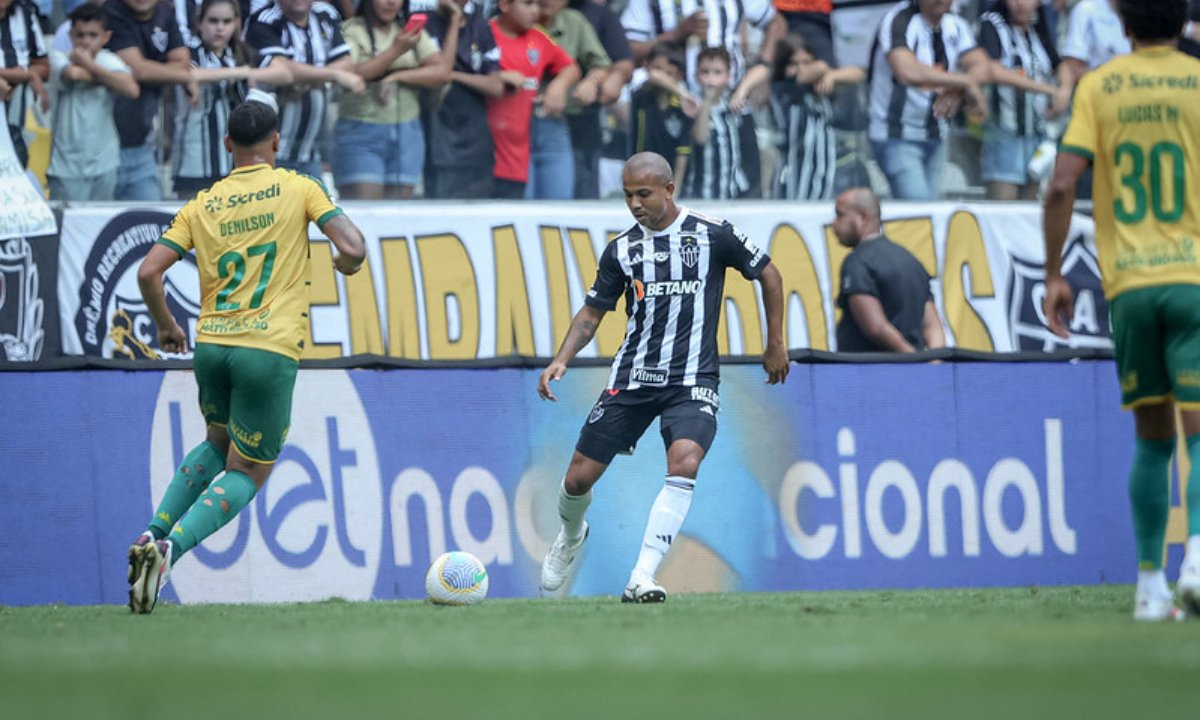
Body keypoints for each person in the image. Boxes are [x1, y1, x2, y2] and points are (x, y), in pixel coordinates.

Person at [127, 94, 366, 614]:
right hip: (268, 347)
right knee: (249, 470)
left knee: (216, 440)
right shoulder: (300, 187)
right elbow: (353, 246)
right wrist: (346, 266)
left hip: (212, 344)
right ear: (276, 143)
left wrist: (168, 326)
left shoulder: (202, 202)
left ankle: (151, 534)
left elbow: (149, 272)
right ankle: (168, 553)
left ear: (227, 143)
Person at [537, 151, 789, 603]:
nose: (634, 204)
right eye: (628, 195)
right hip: (632, 379)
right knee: (577, 481)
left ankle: (642, 576)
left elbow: (769, 274)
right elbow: (593, 312)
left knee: (685, 460)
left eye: (643, 194)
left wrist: (775, 343)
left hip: (692, 378)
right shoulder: (623, 250)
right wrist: (561, 359)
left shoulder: (713, 234)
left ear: (668, 190)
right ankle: (572, 536)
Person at [1042, 0, 1200, 621]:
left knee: (1153, 436)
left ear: (1123, 24)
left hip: (1130, 284)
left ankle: (1148, 587)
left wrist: (1055, 273)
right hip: (1193, 277)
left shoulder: (1099, 86)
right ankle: (1197, 561)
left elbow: (1060, 183)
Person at [866, 0, 1056, 200]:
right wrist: (966, 82)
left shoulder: (955, 23)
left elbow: (984, 67)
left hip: (937, 134)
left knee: (929, 212)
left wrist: (958, 89)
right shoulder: (899, 19)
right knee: (920, 211)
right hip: (897, 136)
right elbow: (906, 70)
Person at [172, 0, 294, 198]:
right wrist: (241, 72)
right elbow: (188, 74)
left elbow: (285, 73)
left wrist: (251, 73)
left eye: (226, 21)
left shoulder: (241, 52)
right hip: (194, 159)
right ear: (199, 22)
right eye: (213, 21)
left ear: (237, 23)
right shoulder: (190, 50)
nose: (219, 28)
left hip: (236, 160)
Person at [334, 0, 452, 199]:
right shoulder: (351, 30)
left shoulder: (409, 30)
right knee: (366, 214)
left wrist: (395, 77)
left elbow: (442, 72)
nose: (391, 3)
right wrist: (397, 50)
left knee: (399, 216)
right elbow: (351, 73)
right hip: (360, 131)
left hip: (407, 131)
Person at [244, 0, 364, 178]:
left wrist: (305, 78)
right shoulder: (265, 20)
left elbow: (346, 64)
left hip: (311, 151)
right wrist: (334, 75)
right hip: (272, 153)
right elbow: (282, 69)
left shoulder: (326, 14)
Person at [737, 31, 863, 200]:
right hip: (793, 174)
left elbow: (859, 74)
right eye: (793, 63)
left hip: (827, 172)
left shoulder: (821, 85)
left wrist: (833, 76)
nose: (801, 68)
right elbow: (765, 69)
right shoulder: (783, 89)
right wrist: (741, 91)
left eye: (806, 62)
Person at [977, 0, 1071, 200]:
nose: (1021, 4)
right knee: (1004, 211)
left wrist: (1063, 90)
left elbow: (1061, 66)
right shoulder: (991, 23)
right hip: (1004, 133)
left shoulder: (1037, 26)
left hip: (1036, 134)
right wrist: (1047, 89)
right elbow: (991, 69)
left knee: (1029, 213)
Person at [831, 187, 944, 353]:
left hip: (870, 372)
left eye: (840, 215)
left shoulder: (857, 263)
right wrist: (932, 363)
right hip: (911, 370)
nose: (834, 223)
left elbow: (875, 327)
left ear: (862, 217)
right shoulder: (911, 260)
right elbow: (934, 327)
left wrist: (911, 359)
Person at [487, 0, 580, 199]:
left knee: (556, 214)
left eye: (537, 4)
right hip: (495, 146)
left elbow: (570, 68)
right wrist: (498, 77)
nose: (536, 11)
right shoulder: (484, 33)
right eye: (528, 4)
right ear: (504, 4)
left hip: (531, 137)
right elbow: (463, 70)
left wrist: (559, 85)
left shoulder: (538, 36)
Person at [47, 4, 140, 202]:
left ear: (106, 37)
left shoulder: (108, 59)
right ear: (71, 35)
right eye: (80, 35)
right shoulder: (58, 57)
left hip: (104, 162)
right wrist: (107, 77)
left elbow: (132, 89)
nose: (86, 41)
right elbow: (72, 74)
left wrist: (89, 65)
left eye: (93, 35)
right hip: (65, 164)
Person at [105, 0, 196, 201]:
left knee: (148, 226)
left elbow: (183, 63)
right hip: (103, 152)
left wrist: (156, 71)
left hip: (142, 148)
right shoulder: (110, 13)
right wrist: (174, 74)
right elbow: (139, 71)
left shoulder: (165, 11)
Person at [527, 0, 611, 200]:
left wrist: (590, 82)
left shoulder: (574, 21)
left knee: (558, 202)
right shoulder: (516, 24)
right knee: (519, 204)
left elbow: (600, 65)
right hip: (516, 125)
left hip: (559, 122)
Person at [421, 0, 503, 199]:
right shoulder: (426, 23)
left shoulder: (480, 24)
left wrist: (457, 76)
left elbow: (496, 86)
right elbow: (442, 71)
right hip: (440, 132)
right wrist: (455, 20)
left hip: (477, 136)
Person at [683, 46, 760, 199]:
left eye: (717, 72)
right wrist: (706, 103)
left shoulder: (733, 106)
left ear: (728, 77)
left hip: (732, 190)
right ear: (696, 75)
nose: (711, 79)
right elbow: (700, 137)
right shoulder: (692, 105)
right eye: (705, 72)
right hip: (701, 191)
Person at [629, 42, 695, 182]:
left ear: (679, 76)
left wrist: (674, 190)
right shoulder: (640, 93)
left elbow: (682, 152)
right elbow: (654, 76)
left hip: (669, 179)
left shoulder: (681, 107)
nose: (662, 76)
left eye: (669, 73)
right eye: (658, 68)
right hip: (640, 175)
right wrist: (682, 93)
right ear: (646, 66)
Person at [0, 0, 49, 169]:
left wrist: (26, 74)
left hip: (15, 128)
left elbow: (43, 66)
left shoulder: (25, 12)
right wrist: (24, 75)